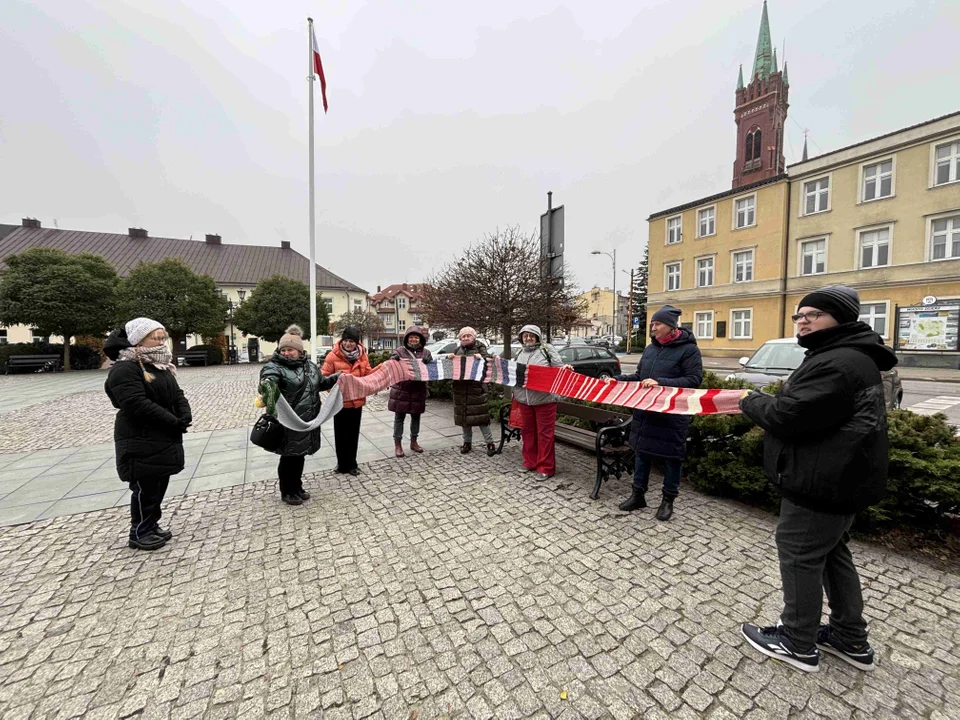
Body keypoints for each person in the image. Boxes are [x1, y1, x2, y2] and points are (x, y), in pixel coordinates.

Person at [739, 285, 893, 673]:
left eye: (813, 314)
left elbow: (787, 416)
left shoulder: (839, 362)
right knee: (831, 555)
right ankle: (849, 637)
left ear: (840, 318)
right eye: (799, 315)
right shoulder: (844, 356)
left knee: (800, 555)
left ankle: (796, 641)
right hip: (838, 479)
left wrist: (748, 400)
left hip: (822, 481)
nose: (802, 321)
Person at [104, 318, 191, 551]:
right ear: (139, 340)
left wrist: (184, 412)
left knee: (158, 483)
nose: (162, 341)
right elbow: (135, 402)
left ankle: (151, 525)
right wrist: (171, 420)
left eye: (163, 337)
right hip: (140, 435)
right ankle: (139, 531)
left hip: (162, 435)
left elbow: (176, 392)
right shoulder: (126, 367)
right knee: (145, 487)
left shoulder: (158, 365)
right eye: (156, 337)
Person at [609, 305, 703, 521]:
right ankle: (638, 495)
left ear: (671, 327)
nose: (653, 327)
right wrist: (618, 380)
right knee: (642, 454)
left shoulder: (689, 350)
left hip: (672, 415)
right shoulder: (650, 349)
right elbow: (640, 376)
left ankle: (667, 501)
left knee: (672, 458)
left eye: (657, 324)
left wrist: (661, 383)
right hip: (646, 413)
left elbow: (694, 380)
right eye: (652, 324)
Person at [258, 325, 340, 505]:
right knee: (288, 457)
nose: (286, 353)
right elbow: (268, 379)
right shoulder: (275, 366)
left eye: (290, 349)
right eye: (284, 350)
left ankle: (297, 487)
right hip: (288, 422)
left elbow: (320, 383)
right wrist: (267, 385)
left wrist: (336, 378)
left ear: (299, 350)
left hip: (307, 420)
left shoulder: (310, 366)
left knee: (299, 456)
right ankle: (287, 491)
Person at [512, 324, 564, 479]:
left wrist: (565, 369)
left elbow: (559, 369)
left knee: (544, 434)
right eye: (525, 335)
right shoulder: (520, 352)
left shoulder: (546, 350)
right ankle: (530, 461)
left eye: (531, 335)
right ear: (521, 337)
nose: (528, 338)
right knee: (527, 432)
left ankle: (546, 467)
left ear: (537, 336)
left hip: (544, 400)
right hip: (524, 399)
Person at [322, 326, 372, 475]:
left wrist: (384, 369)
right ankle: (342, 464)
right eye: (346, 340)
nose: (349, 344)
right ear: (342, 341)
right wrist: (336, 391)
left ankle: (352, 464)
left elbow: (368, 374)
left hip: (357, 402)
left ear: (357, 343)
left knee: (353, 434)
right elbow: (324, 378)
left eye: (352, 341)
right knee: (340, 434)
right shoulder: (332, 356)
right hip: (340, 402)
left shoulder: (362, 355)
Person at [449, 327, 496, 456]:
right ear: (460, 338)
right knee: (465, 419)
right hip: (461, 390)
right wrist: (450, 358)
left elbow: (488, 362)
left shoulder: (480, 348)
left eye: (468, 336)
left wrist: (482, 358)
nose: (465, 338)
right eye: (463, 336)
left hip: (476, 389)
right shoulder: (457, 350)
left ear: (473, 337)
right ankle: (467, 442)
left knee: (482, 419)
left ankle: (490, 442)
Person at [389, 326, 433, 457]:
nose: (413, 339)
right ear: (407, 338)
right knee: (399, 418)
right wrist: (395, 359)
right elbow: (391, 363)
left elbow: (431, 368)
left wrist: (429, 361)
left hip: (417, 390)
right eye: (411, 337)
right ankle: (398, 445)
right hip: (402, 389)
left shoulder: (426, 352)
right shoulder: (400, 351)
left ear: (420, 339)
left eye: (416, 337)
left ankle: (414, 442)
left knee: (416, 417)